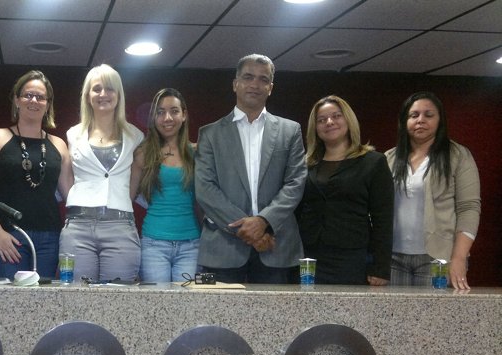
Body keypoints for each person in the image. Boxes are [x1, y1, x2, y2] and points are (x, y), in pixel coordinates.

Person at [195, 53, 306, 284]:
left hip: (276, 246)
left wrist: (264, 221)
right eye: (248, 77)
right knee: (216, 309)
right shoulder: (210, 134)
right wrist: (249, 230)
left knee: (277, 310)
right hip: (222, 249)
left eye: (263, 79)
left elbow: (295, 183)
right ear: (235, 84)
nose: (255, 84)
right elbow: (205, 189)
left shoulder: (290, 130)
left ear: (270, 88)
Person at [0, 70, 73, 279]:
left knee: (44, 297)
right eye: (28, 95)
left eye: (40, 97)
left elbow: (70, 196)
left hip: (50, 238)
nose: (34, 101)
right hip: (9, 235)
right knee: (12, 298)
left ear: (48, 104)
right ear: (17, 100)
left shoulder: (59, 145)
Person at [385, 91, 480, 290]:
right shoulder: (389, 158)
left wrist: (459, 258)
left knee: (433, 311)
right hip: (392, 258)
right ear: (404, 121)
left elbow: (469, 208)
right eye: (414, 115)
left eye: (428, 115)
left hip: (439, 258)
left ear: (440, 120)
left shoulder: (458, 155)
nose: (420, 120)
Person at [296, 95, 393, 285]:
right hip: (308, 256)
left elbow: (383, 219)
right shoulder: (305, 164)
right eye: (321, 120)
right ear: (315, 128)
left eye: (336, 116)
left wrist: (380, 268)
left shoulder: (374, 162)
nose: (329, 122)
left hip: (351, 258)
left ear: (348, 120)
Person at [60, 64, 144, 281]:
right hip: (78, 227)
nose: (103, 94)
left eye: (110, 88)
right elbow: (67, 178)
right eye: (96, 89)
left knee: (118, 297)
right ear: (88, 96)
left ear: (119, 95)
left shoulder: (136, 136)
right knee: (77, 295)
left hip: (120, 226)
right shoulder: (72, 135)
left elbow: (136, 178)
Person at [130, 88, 200, 282]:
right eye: (160, 112)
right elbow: (127, 199)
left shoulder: (198, 152)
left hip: (191, 244)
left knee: (187, 301)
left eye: (174, 111)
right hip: (153, 243)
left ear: (184, 115)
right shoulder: (143, 154)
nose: (167, 118)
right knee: (157, 300)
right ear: (154, 118)